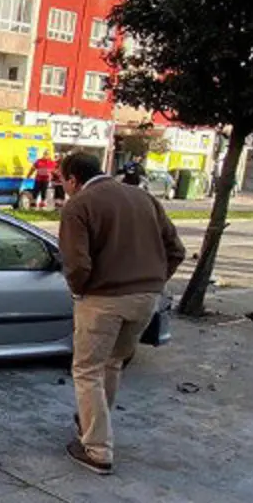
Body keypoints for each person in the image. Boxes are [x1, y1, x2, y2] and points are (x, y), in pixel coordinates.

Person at [57, 153, 185, 475]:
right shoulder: (144, 198)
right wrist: (153, 281)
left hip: (102, 300)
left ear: (72, 178)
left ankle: (97, 450)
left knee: (86, 371)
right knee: (112, 363)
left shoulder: (79, 205)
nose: (64, 187)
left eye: (63, 181)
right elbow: (176, 250)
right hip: (146, 300)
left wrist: (79, 290)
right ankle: (92, 423)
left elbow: (76, 263)